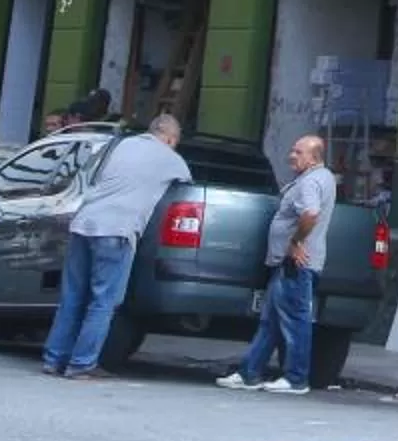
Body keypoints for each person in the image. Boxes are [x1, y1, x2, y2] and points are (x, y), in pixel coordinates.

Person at [41, 114, 189, 381]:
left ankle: (54, 359)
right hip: (116, 231)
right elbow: (187, 189)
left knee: (72, 298)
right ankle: (82, 364)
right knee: (103, 302)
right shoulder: (171, 159)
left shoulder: (122, 145)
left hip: (84, 223)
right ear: (170, 138)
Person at [218, 135, 335, 397]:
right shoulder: (317, 178)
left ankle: (296, 378)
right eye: (293, 150)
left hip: (295, 263)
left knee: (295, 322)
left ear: (313, 157)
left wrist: (295, 242)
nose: (292, 155)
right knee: (270, 322)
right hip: (290, 263)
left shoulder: (312, 181)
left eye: (298, 152)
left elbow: (310, 214)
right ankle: (250, 372)